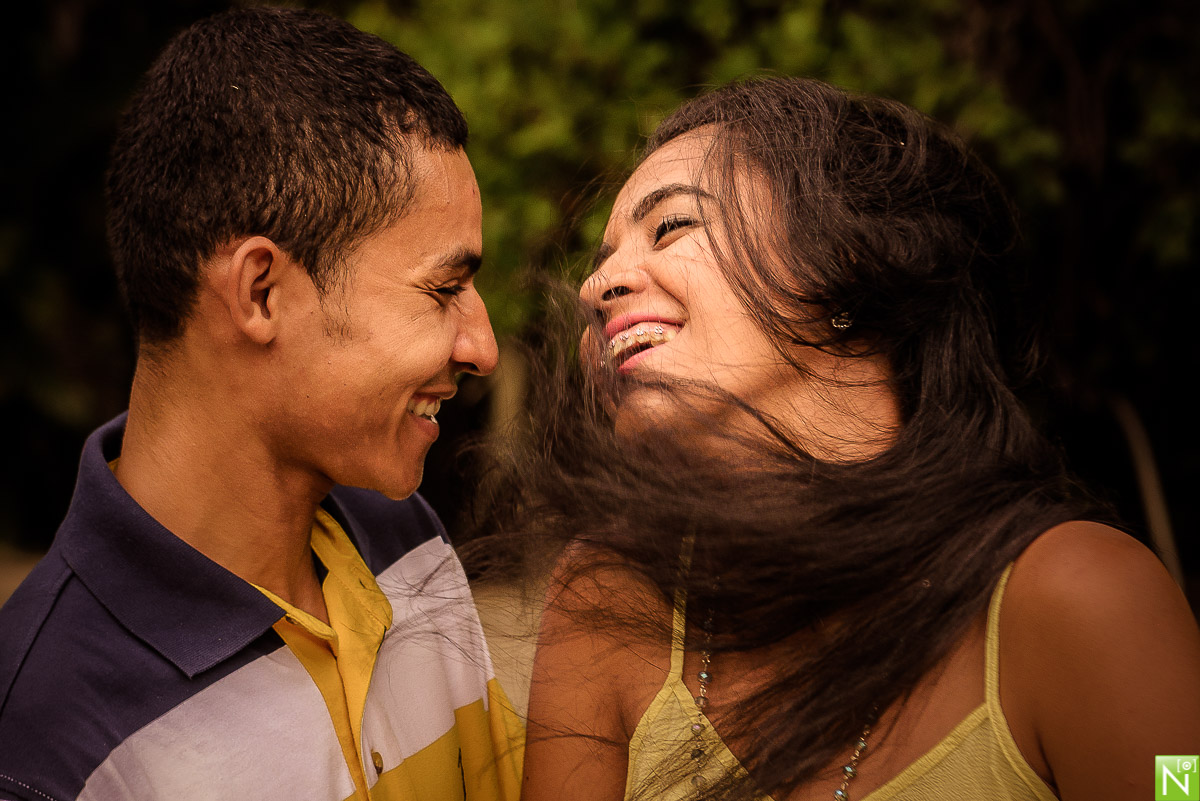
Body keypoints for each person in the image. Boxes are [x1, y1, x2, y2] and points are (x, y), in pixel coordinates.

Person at [509, 77, 1200, 801]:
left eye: (673, 225)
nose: (597, 285)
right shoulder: (607, 598)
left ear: (845, 263)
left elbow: (1178, 784)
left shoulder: (1084, 594)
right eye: (602, 254)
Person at [0, 8, 521, 801]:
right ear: (261, 290)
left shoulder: (399, 531)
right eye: (443, 288)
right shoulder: (45, 733)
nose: (480, 346)